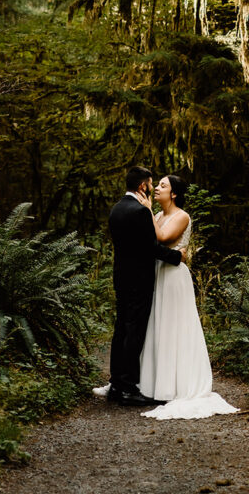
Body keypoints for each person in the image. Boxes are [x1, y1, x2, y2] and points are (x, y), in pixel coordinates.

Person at [136, 174, 238, 420]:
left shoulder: (181, 216)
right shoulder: (159, 216)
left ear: (173, 194)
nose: (157, 188)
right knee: (159, 325)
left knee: (175, 325)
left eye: (163, 185)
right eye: (157, 184)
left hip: (174, 276)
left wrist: (147, 210)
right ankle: (158, 384)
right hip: (159, 273)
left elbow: (161, 238)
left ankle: (178, 384)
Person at [92, 165, 183, 407]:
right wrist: (178, 256)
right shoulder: (140, 212)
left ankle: (116, 385)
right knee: (135, 332)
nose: (153, 189)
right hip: (139, 281)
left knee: (121, 328)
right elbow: (149, 248)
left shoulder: (117, 209)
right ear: (142, 186)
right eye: (152, 184)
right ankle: (129, 387)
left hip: (121, 278)